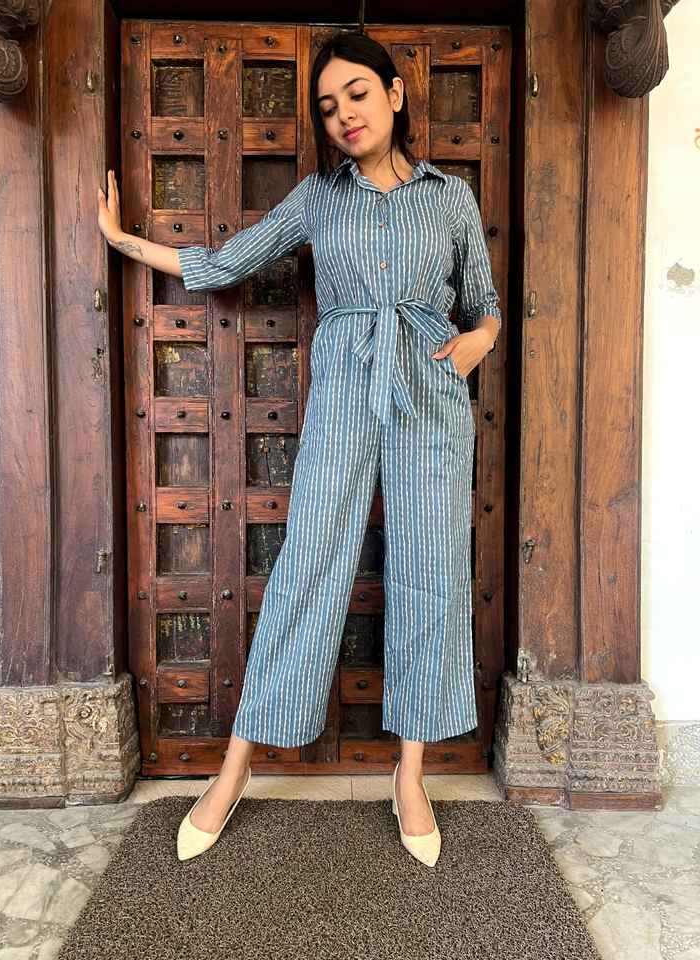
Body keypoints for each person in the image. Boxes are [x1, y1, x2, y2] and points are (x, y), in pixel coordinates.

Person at [98, 31, 501, 868]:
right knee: (309, 561)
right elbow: (230, 261)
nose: (343, 114)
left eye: (357, 93)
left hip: (430, 391)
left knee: (430, 569)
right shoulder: (319, 199)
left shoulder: (451, 198)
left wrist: (476, 343)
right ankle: (236, 766)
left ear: (394, 95)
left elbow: (485, 302)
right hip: (346, 389)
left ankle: (411, 773)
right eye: (327, 106)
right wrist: (127, 241)